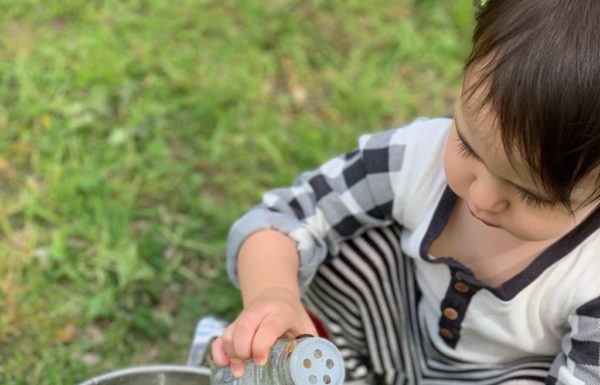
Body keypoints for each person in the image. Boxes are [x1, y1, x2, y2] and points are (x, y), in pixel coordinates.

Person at [211, 0, 600, 383]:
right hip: (395, 334)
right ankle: (303, 360)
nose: (480, 197)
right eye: (466, 145)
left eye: (531, 195)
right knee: (355, 256)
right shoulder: (417, 158)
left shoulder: (591, 273)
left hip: (503, 374)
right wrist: (273, 294)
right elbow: (285, 219)